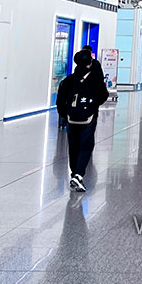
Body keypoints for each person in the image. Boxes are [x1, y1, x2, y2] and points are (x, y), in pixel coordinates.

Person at [56, 47, 108, 191]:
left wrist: (65, 115)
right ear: (89, 63)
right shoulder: (95, 79)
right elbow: (103, 95)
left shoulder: (68, 80)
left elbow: (60, 100)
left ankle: (74, 173)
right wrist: (93, 105)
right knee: (86, 146)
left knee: (73, 146)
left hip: (71, 118)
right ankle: (78, 175)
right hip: (88, 118)